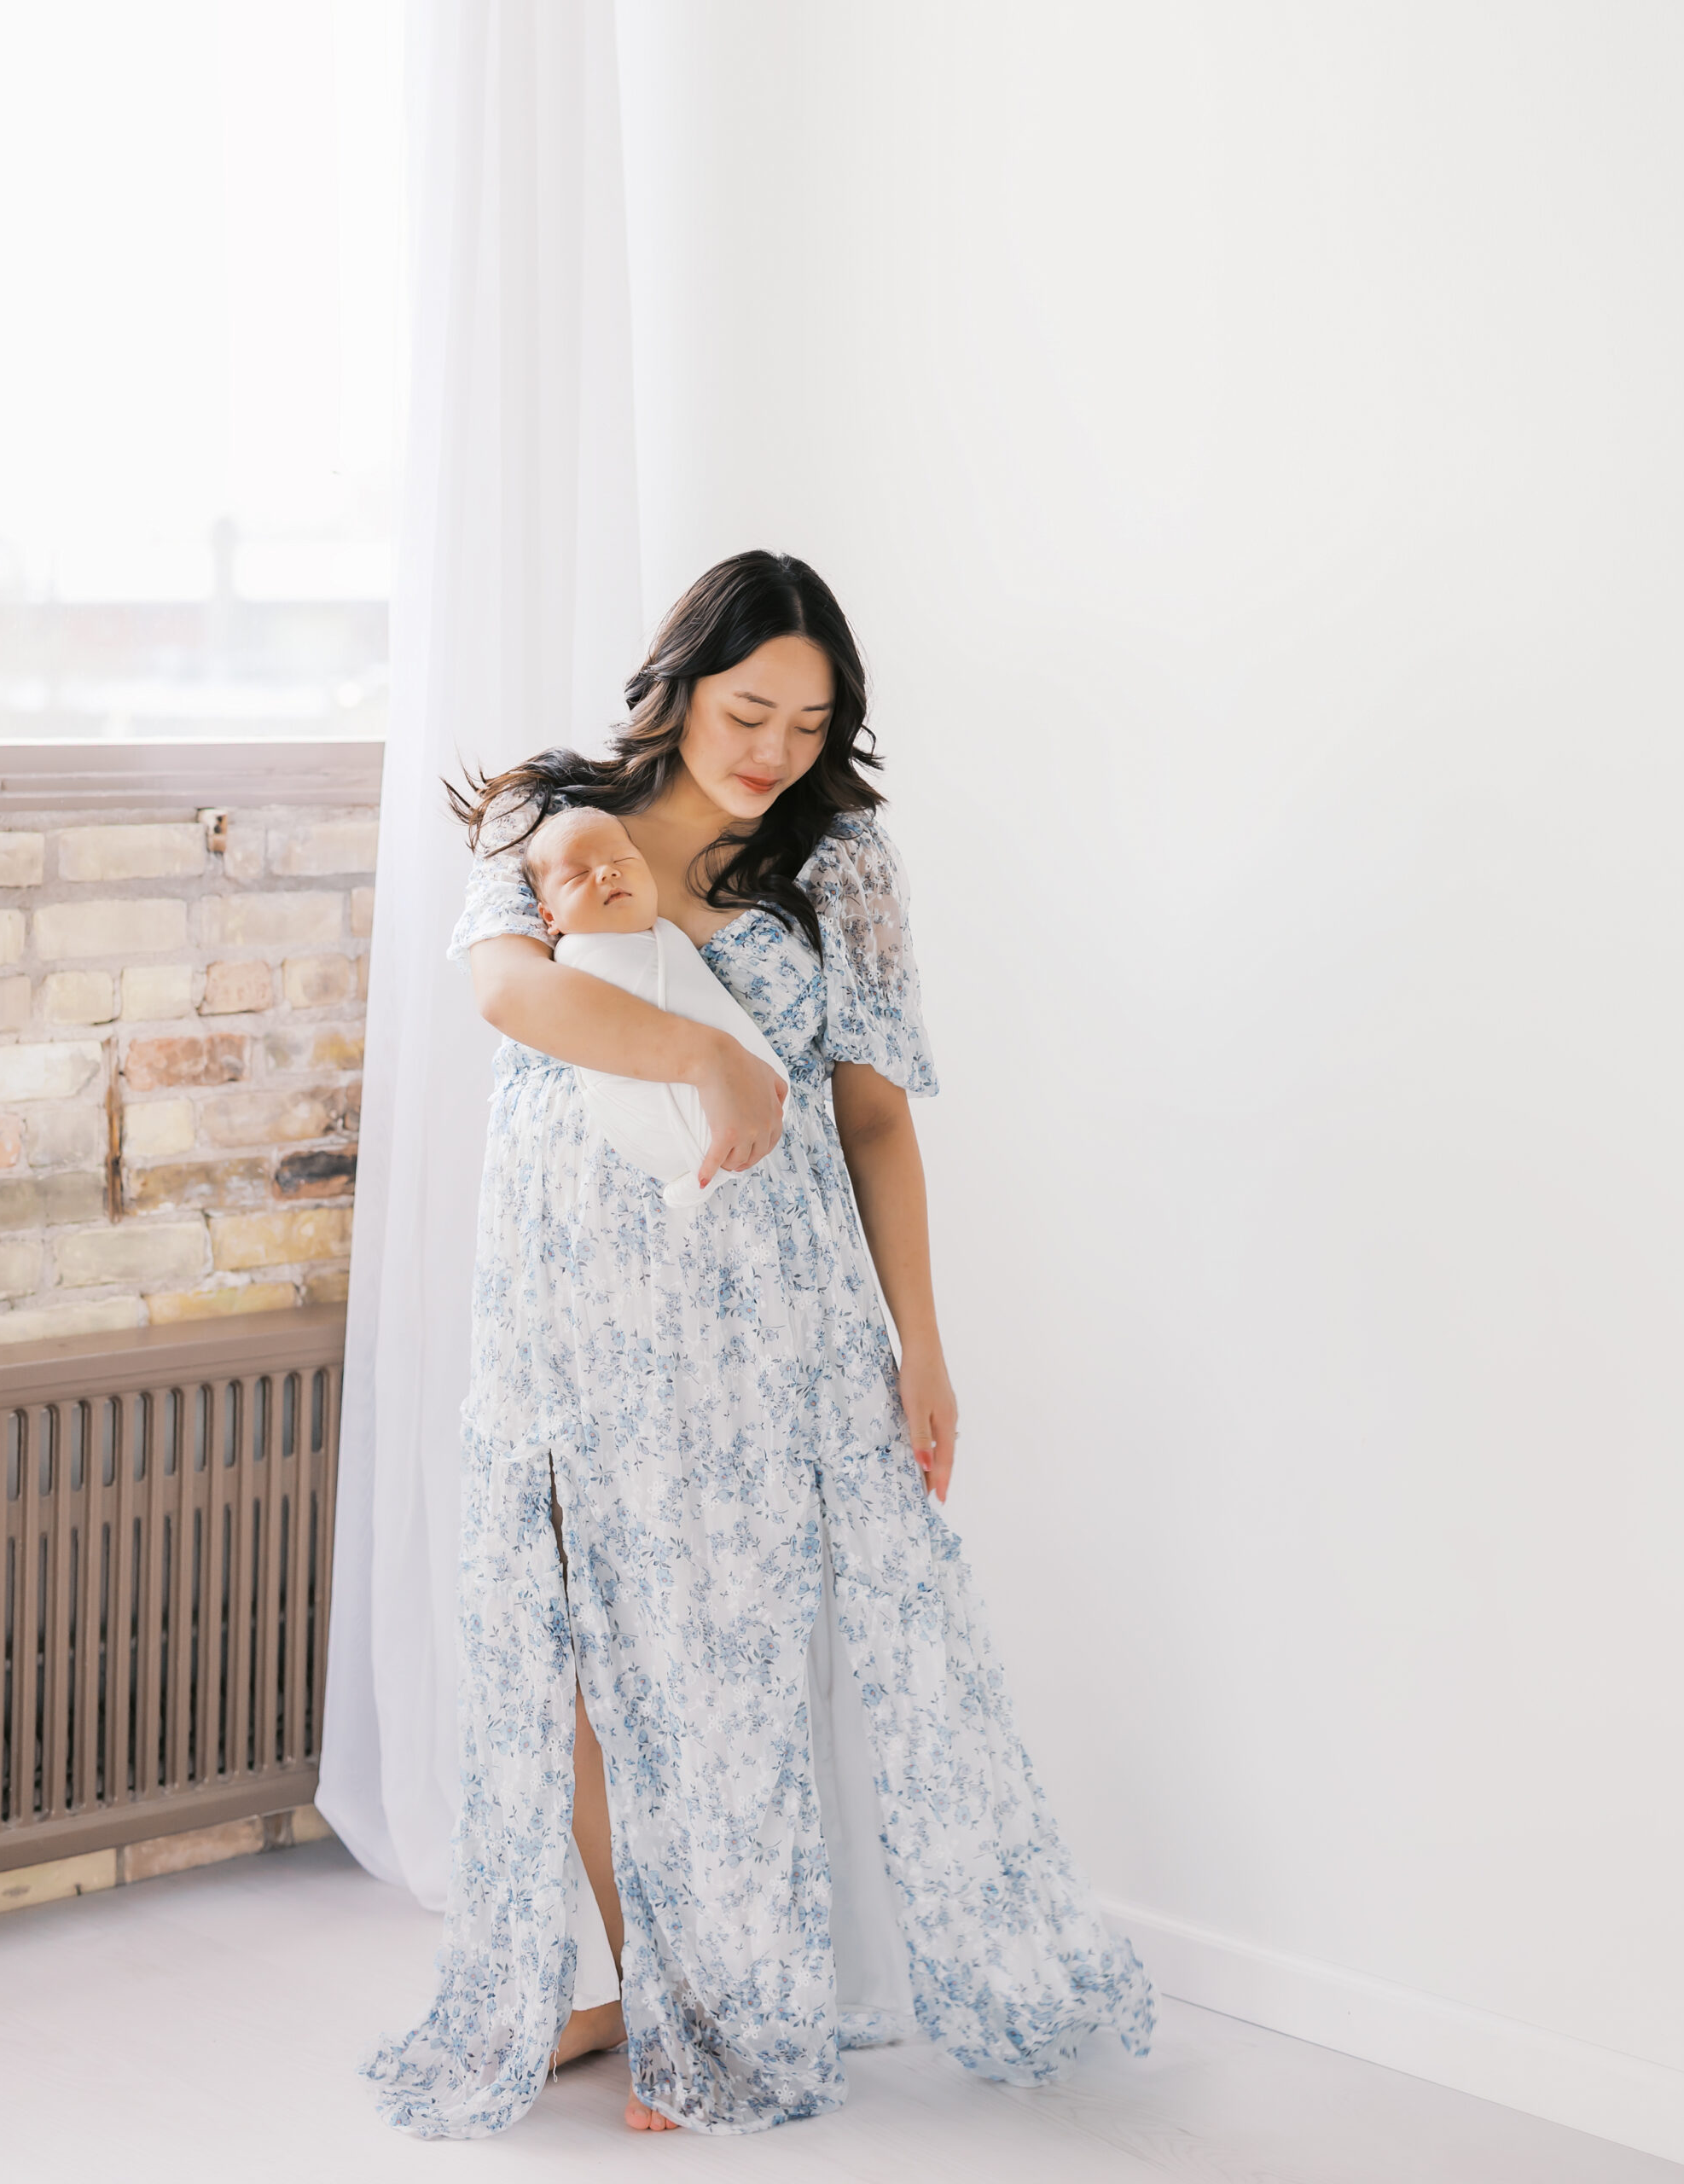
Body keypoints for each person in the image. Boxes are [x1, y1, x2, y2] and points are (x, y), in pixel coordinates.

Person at [361, 549, 1155, 2140]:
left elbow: (875, 1117)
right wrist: (709, 1061)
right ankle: (654, 1983)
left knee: (724, 1663)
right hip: (571, 1309)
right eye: (748, 713)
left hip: (765, 1317)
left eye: (808, 724)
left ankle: (722, 2004)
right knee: (575, 1658)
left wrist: (923, 1346)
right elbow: (512, 995)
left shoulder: (841, 859)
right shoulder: (553, 820)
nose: (774, 752)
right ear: (679, 689)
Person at [520, 802, 790, 1206]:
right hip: (653, 1134)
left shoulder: (666, 935)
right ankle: (699, 1166)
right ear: (549, 917)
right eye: (577, 875)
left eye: (623, 861)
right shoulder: (574, 958)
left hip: (757, 1102)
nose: (607, 872)